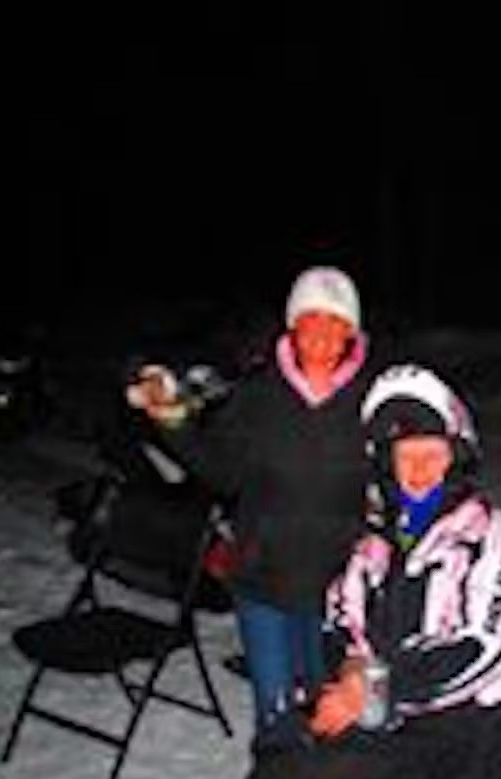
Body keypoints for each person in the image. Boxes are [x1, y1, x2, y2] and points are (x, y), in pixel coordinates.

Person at [84, 364, 501, 779]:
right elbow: (337, 619)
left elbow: (480, 648)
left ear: (457, 453)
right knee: (285, 749)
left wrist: (368, 686)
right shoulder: (374, 541)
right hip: (382, 720)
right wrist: (345, 669)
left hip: (468, 734)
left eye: (432, 453)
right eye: (404, 455)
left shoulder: (493, 538)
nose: (418, 470)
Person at [127, 267, 376, 748]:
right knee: (277, 718)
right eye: (311, 319)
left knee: (330, 717)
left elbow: (400, 474)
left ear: (352, 332)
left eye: (336, 322)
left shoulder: (372, 400)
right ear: (292, 326)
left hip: (338, 593)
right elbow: (223, 473)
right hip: (265, 582)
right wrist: (174, 423)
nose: (322, 333)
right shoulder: (258, 394)